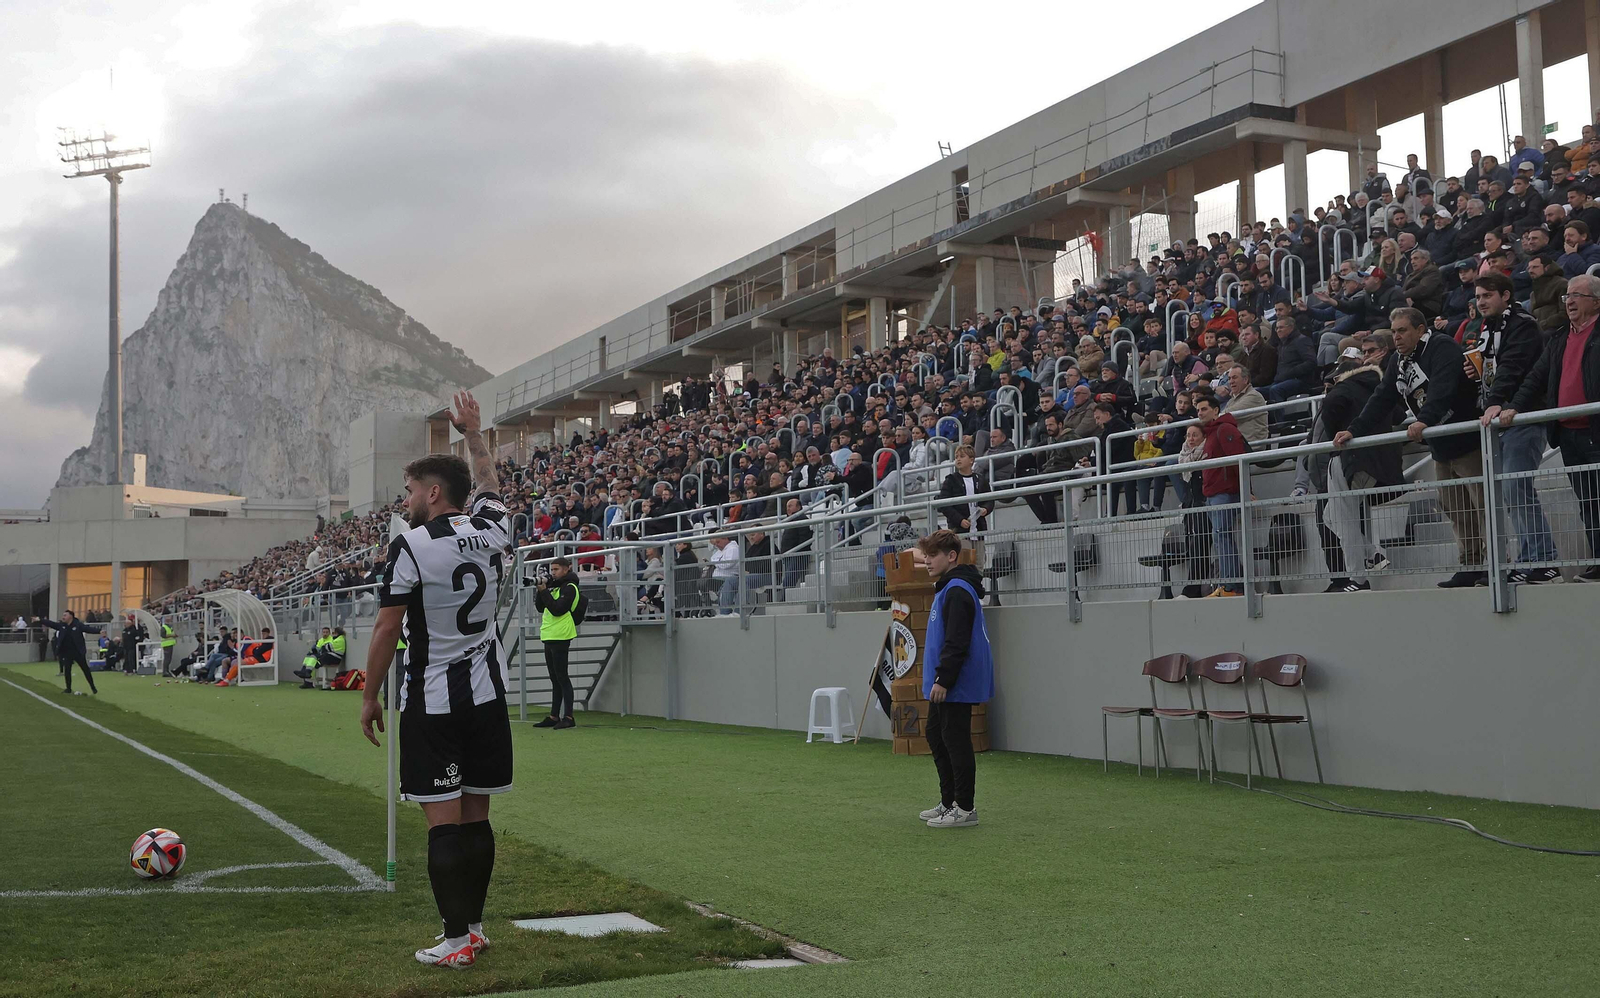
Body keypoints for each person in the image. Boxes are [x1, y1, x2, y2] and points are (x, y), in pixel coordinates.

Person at [360, 390, 513, 970]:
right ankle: (474, 928)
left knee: (443, 823)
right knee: (477, 818)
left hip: (433, 702)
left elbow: (385, 630)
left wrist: (370, 695)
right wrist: (473, 431)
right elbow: (490, 482)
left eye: (409, 492)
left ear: (432, 493)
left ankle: (454, 939)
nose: (406, 502)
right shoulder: (495, 531)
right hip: (488, 698)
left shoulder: (412, 547)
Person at [1338, 307, 1485, 588]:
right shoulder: (1398, 360)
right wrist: (1354, 429)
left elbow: (1443, 389)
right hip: (1441, 447)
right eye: (1393, 332)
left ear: (1420, 330)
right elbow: (1381, 398)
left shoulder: (1442, 347)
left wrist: (1424, 420)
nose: (1397, 337)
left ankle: (1494, 565)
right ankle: (1471, 565)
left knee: (1481, 504)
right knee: (1455, 507)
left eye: (1403, 331)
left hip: (1467, 440)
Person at [1496, 272, 1600, 581]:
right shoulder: (1557, 338)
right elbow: (1536, 378)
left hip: (1596, 430)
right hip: (1568, 432)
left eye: (1577, 296)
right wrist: (1513, 405)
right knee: (1588, 501)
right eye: (1567, 296)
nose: (1569, 302)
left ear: (1596, 302)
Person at [1461, 272, 1560, 583]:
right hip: (1503, 419)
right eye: (1477, 297)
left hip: (1523, 417)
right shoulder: (1488, 329)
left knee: (1517, 488)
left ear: (1505, 295)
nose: (1481, 302)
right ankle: (1530, 559)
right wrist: (1477, 371)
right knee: (1510, 492)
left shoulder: (1523, 325)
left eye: (1487, 296)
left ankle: (1545, 560)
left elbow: (1513, 367)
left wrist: (1499, 400)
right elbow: (1497, 368)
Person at [916, 529, 994, 829]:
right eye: (926, 557)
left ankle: (965, 807)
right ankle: (949, 802)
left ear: (951, 556)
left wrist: (944, 679)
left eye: (933, 556)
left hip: (955, 681)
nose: (927, 562)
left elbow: (957, 641)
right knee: (937, 735)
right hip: (949, 680)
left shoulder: (958, 589)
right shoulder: (948, 588)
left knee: (955, 740)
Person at [1193, 393, 1249, 597]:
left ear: (1216, 410)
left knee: (1222, 537)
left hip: (1224, 492)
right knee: (1220, 538)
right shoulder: (1210, 433)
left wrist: (1246, 490)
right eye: (1198, 410)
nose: (1200, 413)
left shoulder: (1224, 429)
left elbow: (1238, 460)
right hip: (1213, 492)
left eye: (1204, 409)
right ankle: (1229, 585)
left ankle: (1231, 586)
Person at [532, 557, 580, 728]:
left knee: (562, 677)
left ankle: (569, 717)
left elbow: (558, 609)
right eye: (552, 570)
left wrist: (545, 591)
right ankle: (554, 716)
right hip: (550, 634)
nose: (553, 573)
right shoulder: (554, 587)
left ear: (567, 569)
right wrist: (541, 590)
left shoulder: (570, 587)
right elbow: (540, 607)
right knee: (554, 678)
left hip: (561, 635)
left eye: (557, 569)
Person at [35, 610, 101, 695]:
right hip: (67, 652)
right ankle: (68, 688)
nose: (63, 617)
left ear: (71, 616)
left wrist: (99, 631)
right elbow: (51, 624)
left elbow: (88, 629)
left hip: (78, 652)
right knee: (67, 670)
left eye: (65, 615)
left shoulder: (77, 625)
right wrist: (40, 619)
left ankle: (93, 687)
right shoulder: (62, 626)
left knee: (85, 669)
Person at [937, 444, 992, 535]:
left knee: (979, 549)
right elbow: (944, 505)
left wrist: (986, 509)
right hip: (959, 531)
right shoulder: (950, 480)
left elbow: (990, 500)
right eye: (956, 457)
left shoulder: (980, 479)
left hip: (979, 530)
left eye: (962, 456)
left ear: (971, 460)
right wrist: (960, 520)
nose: (958, 459)